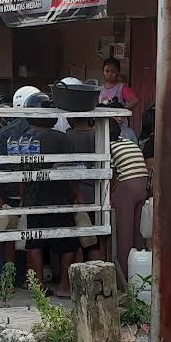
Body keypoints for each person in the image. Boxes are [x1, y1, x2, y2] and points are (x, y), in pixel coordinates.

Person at [22, 116, 79, 297]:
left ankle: (38, 285)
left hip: (34, 196)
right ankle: (64, 286)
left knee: (35, 241)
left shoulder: (25, 138)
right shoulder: (62, 138)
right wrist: (77, 193)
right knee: (68, 243)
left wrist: (23, 197)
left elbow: (22, 171)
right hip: (60, 196)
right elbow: (69, 169)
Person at [108, 117, 150, 280]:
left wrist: (110, 196)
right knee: (139, 232)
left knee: (123, 232)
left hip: (127, 185)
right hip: (143, 183)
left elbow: (111, 174)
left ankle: (124, 274)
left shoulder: (108, 146)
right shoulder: (128, 142)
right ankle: (139, 275)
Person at [64, 116, 103, 261]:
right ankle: (96, 275)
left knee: (79, 242)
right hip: (98, 192)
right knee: (95, 242)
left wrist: (76, 194)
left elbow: (69, 169)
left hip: (78, 193)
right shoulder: (98, 134)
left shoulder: (68, 136)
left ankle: (78, 278)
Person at [99, 57, 140, 141]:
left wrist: (121, 111)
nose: (110, 74)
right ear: (103, 71)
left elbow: (135, 100)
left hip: (120, 128)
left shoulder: (121, 87)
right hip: (103, 126)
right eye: (107, 71)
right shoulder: (100, 89)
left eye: (113, 72)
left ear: (118, 73)